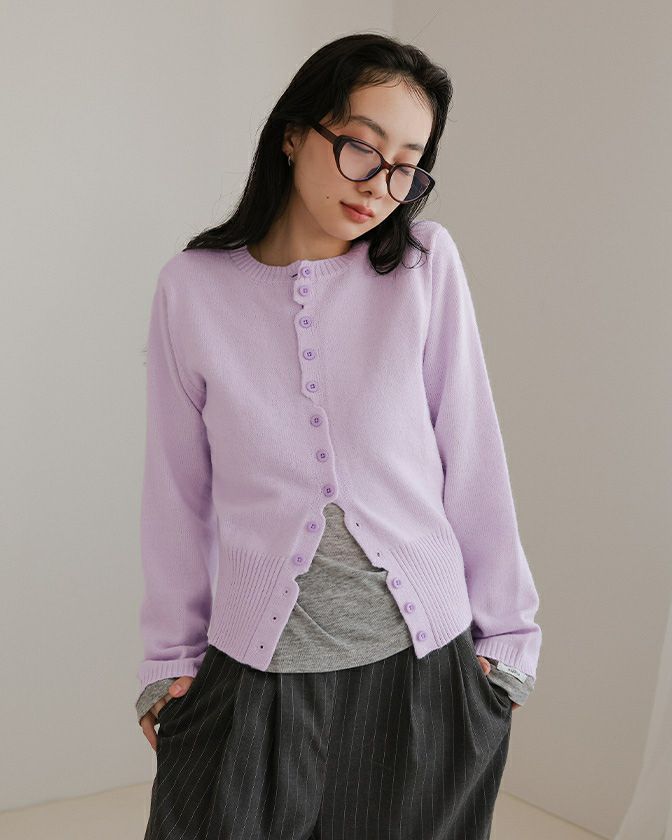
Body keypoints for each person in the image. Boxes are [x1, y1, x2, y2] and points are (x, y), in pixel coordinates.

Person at [137, 31, 542, 840]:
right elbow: (175, 493)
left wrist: (507, 646)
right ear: (294, 132)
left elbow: (473, 453)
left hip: (425, 676)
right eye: (361, 146)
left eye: (406, 166)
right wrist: (169, 663)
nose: (380, 185)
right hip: (252, 675)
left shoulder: (424, 265)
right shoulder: (192, 289)